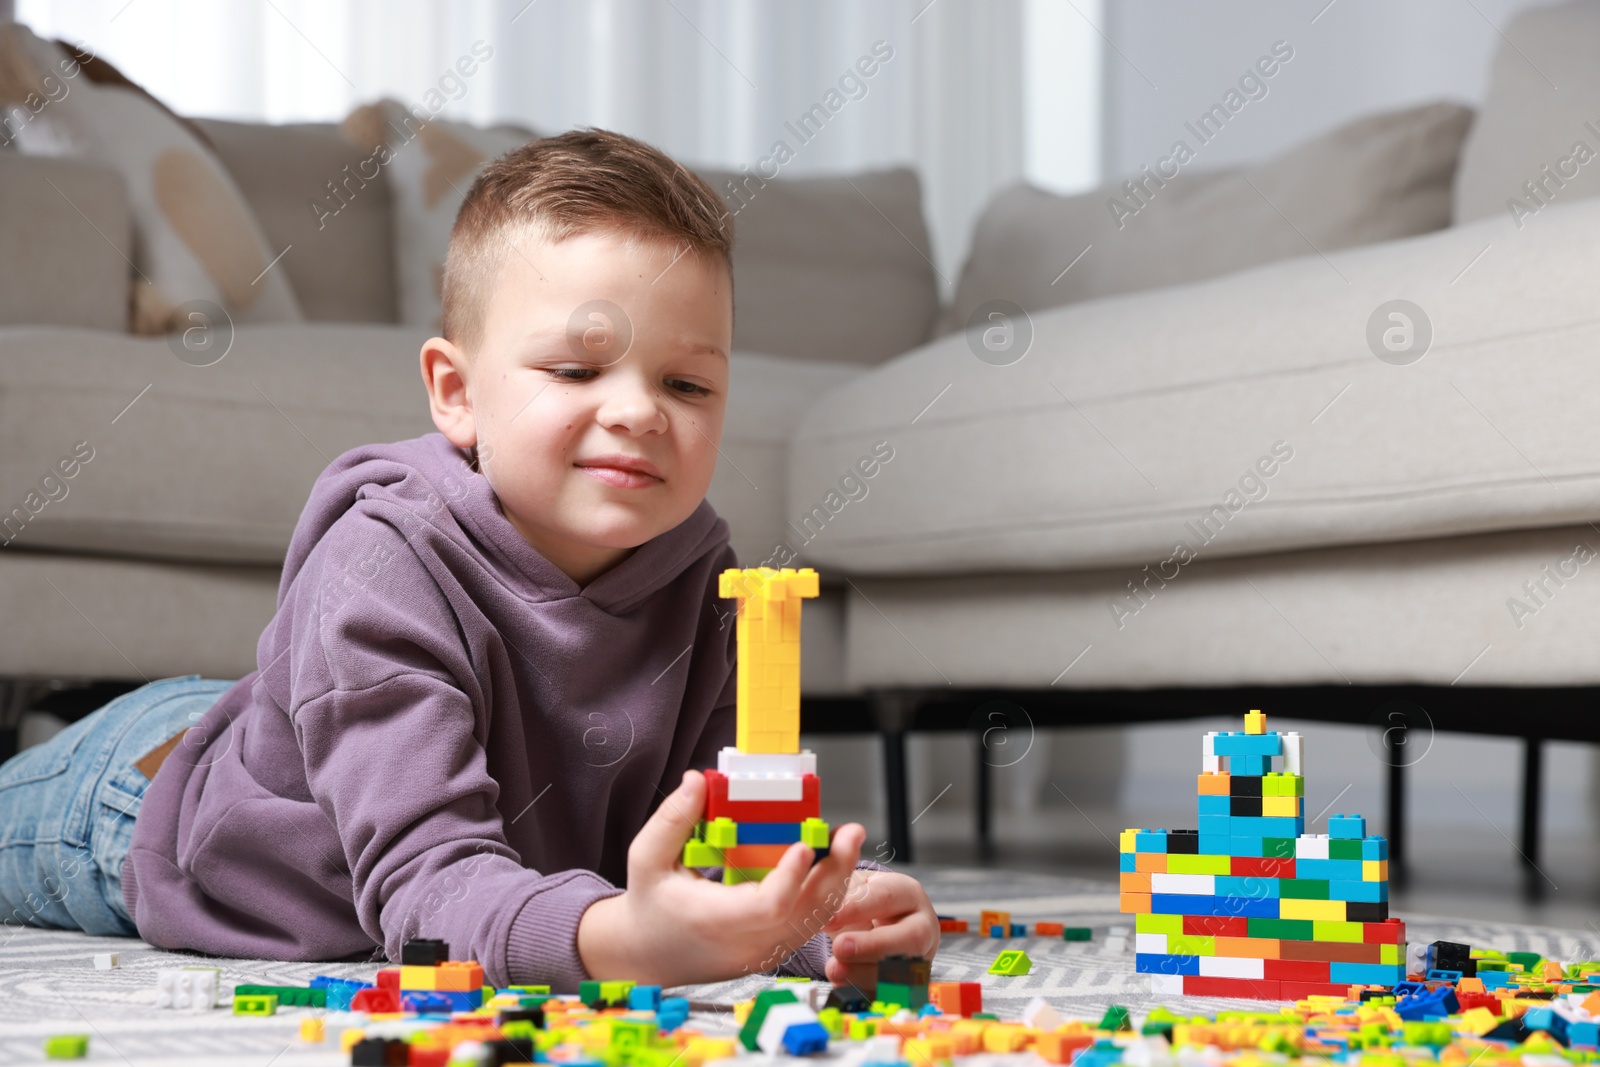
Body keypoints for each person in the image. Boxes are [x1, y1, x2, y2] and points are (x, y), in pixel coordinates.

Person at [0, 128, 938, 992]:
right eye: (576, 370)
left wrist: (816, 922)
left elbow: (701, 863)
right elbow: (430, 894)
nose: (642, 412)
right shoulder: (383, 565)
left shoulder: (707, 576)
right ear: (456, 393)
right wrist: (619, 939)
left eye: (687, 383)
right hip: (142, 799)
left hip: (309, 715)